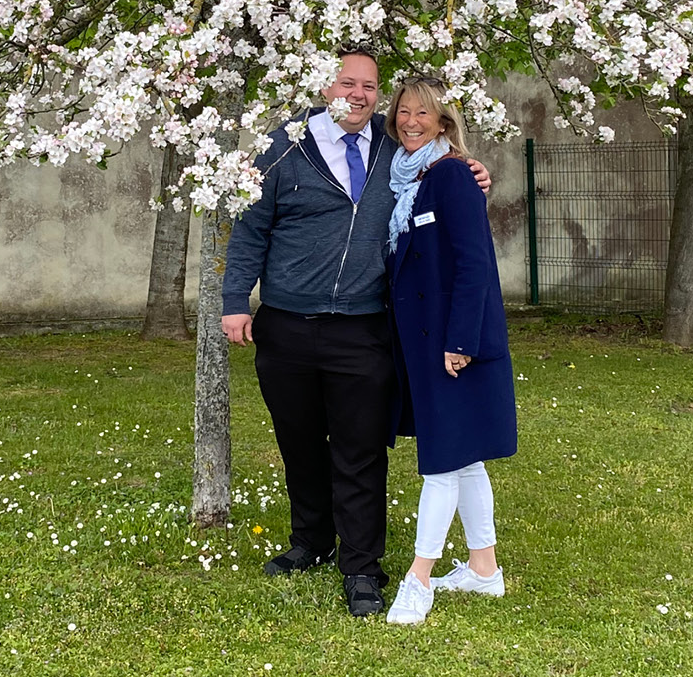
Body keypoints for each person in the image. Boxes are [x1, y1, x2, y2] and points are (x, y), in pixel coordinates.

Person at [218, 50, 488, 620]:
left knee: (360, 451)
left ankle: (362, 567)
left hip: (364, 330)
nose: (360, 94)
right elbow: (249, 227)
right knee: (299, 442)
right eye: (348, 82)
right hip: (287, 324)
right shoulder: (285, 145)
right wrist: (233, 302)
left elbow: (442, 174)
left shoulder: (398, 152)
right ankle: (310, 541)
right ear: (327, 86)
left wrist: (474, 171)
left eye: (369, 86)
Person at [380, 78, 517, 625]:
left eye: (424, 114)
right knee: (463, 457)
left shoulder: (453, 175)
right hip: (423, 342)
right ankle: (485, 571)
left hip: (452, 345)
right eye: (404, 112)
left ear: (444, 123)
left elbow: (475, 263)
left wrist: (460, 342)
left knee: (441, 459)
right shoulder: (406, 178)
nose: (411, 121)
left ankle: (419, 578)